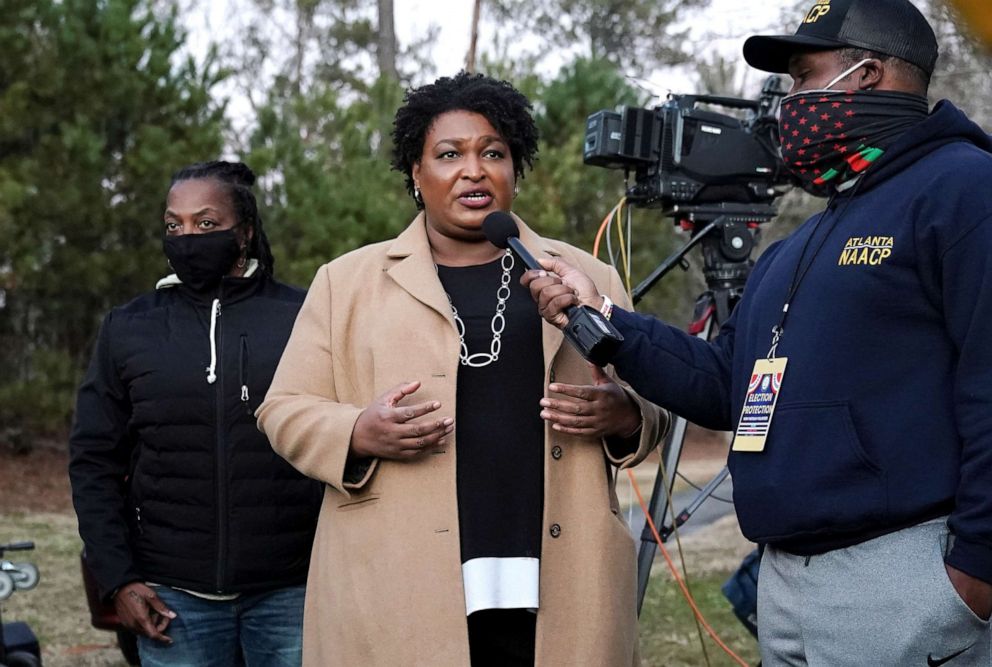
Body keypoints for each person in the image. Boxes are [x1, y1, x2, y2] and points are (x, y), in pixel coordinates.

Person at [523, 0, 992, 664]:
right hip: (784, 583)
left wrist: (974, 573)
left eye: (803, 77)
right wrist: (598, 315)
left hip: (902, 577)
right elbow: (725, 384)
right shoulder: (801, 243)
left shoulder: (964, 187)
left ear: (867, 74)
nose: (788, 102)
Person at [256, 72, 669, 666]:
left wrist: (625, 415)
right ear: (416, 176)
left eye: (493, 153)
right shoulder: (345, 283)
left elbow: (650, 407)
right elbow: (284, 408)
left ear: (515, 171)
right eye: (449, 154)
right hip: (398, 580)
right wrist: (357, 433)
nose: (474, 170)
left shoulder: (588, 277)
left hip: (562, 575)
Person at [69, 161, 322, 666]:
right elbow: (93, 460)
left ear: (244, 232)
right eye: (174, 225)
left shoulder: (306, 316)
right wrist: (119, 579)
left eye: (206, 224)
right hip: (173, 596)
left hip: (293, 589)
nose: (187, 236)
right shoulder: (129, 328)